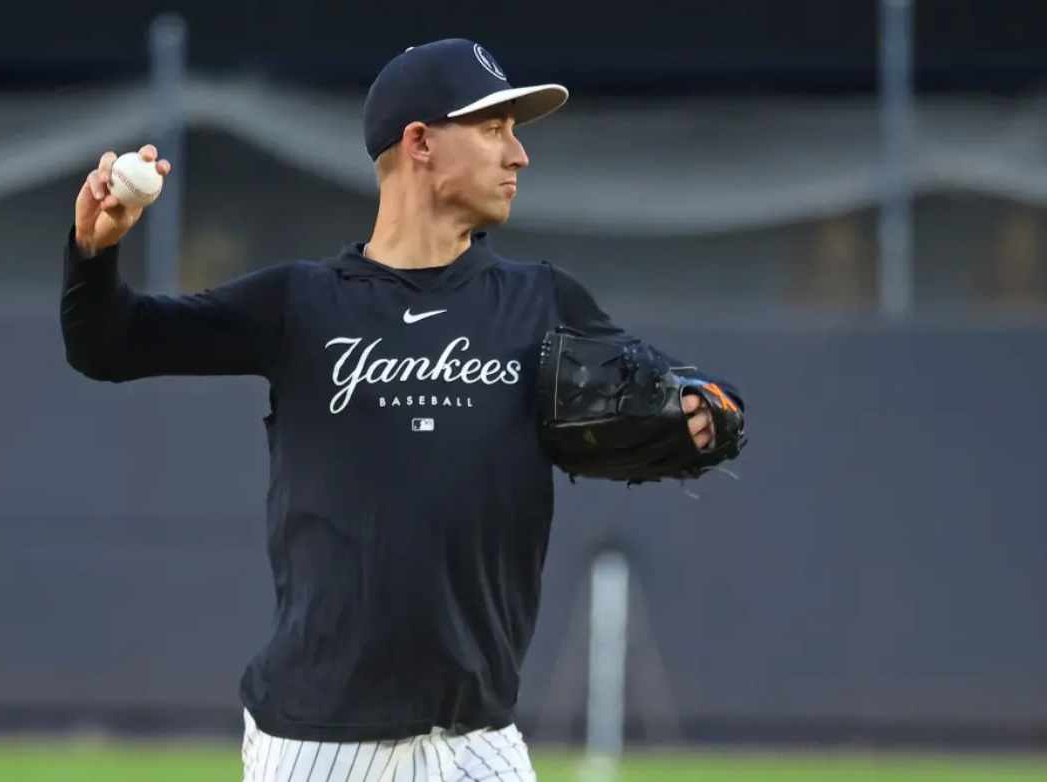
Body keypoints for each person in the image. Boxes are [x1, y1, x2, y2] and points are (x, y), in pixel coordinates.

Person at [62, 38, 729, 782]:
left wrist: (699, 412)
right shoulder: (302, 303)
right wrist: (95, 256)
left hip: (477, 741)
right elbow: (110, 347)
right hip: (315, 745)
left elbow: (677, 392)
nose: (519, 156)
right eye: (493, 129)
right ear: (420, 143)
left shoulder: (543, 303)